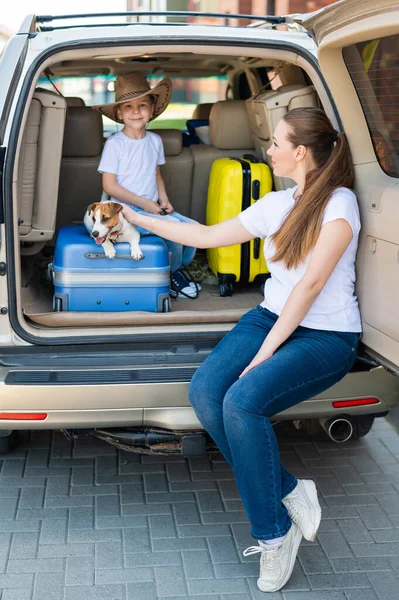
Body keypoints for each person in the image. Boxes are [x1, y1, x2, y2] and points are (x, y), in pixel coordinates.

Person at [121, 107, 362, 593]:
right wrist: (140, 218)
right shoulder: (278, 202)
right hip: (270, 317)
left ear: (299, 152)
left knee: (242, 401)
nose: (267, 150)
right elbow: (207, 236)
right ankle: (292, 489)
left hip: (325, 335)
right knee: (207, 393)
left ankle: (275, 536)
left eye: (275, 143)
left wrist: (264, 354)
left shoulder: (340, 204)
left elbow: (311, 285)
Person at [93, 71, 201, 299]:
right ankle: (171, 275)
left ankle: (176, 267)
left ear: (151, 110)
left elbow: (156, 174)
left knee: (192, 228)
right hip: (123, 214)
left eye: (142, 105)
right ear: (119, 113)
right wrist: (146, 204)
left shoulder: (155, 141)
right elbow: (110, 186)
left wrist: (164, 201)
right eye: (128, 107)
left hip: (150, 206)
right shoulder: (115, 144)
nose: (135, 111)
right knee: (173, 230)